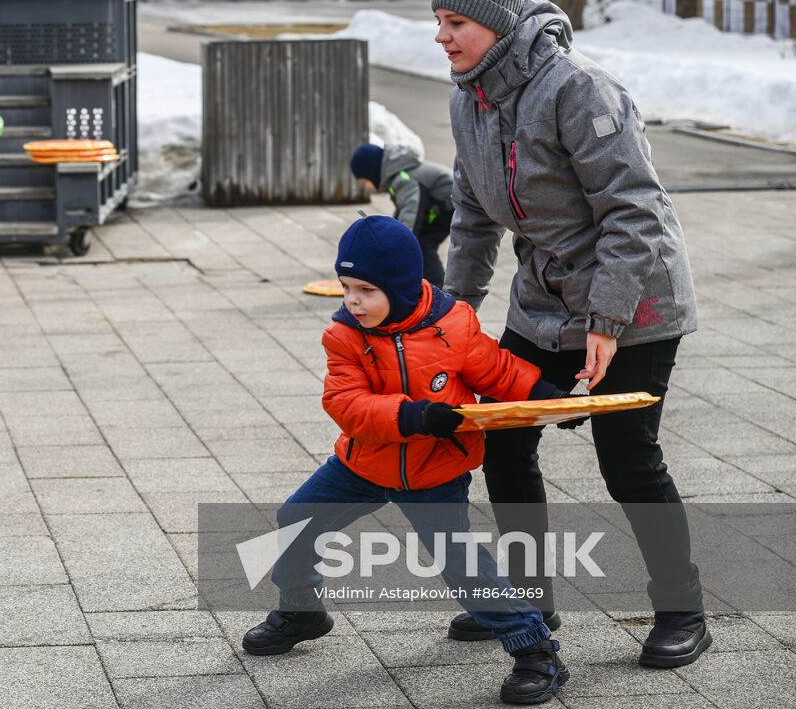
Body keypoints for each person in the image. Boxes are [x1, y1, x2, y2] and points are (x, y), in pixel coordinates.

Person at [433, 0, 708, 667]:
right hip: (544, 298)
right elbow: (470, 215)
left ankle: (683, 607)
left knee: (629, 460)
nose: (442, 33)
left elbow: (636, 211)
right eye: (438, 19)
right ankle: (530, 601)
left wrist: (608, 322)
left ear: (496, 23)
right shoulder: (471, 101)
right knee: (506, 438)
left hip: (637, 299)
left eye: (455, 19)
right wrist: (452, 317)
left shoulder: (578, 90)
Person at [243, 216, 572, 705]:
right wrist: (414, 415)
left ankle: (535, 649)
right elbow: (346, 404)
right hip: (363, 464)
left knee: (458, 561)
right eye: (346, 287)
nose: (352, 300)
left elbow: (496, 370)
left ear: (399, 289)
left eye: (366, 290)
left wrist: (548, 399)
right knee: (295, 518)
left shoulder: (453, 323)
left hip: (434, 470)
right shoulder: (345, 336)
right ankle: (302, 610)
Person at [350, 141, 453, 285]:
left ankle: (437, 290)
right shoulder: (399, 172)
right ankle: (421, 283)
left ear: (372, 171)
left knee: (422, 244)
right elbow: (402, 211)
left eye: (365, 181)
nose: (367, 186)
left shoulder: (404, 179)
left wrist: (398, 245)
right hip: (436, 205)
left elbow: (410, 214)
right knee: (411, 240)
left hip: (449, 205)